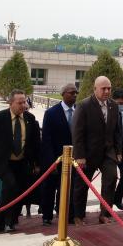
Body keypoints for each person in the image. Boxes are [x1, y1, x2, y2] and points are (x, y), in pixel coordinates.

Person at [0, 90, 41, 233]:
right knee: (10, 187)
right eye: (19, 102)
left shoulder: (30, 119)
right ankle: (0, 223)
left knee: (19, 192)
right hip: (3, 163)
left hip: (22, 163)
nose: (23, 105)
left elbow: (35, 143)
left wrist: (37, 163)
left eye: (24, 102)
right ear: (10, 103)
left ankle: (12, 221)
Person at [72, 76, 122, 225]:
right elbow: (77, 132)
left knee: (111, 179)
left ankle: (105, 214)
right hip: (87, 154)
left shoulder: (113, 105)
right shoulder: (84, 105)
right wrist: (80, 155)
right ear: (95, 89)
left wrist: (118, 151)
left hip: (108, 153)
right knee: (81, 186)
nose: (107, 91)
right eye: (103, 88)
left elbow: (117, 131)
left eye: (109, 88)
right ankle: (78, 216)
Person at [40, 83, 78, 225]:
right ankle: (47, 216)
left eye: (76, 93)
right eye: (71, 92)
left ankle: (67, 214)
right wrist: (51, 162)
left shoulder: (79, 111)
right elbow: (47, 139)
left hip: (73, 159)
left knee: (69, 188)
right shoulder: (51, 113)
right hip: (55, 159)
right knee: (50, 189)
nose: (74, 95)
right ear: (63, 94)